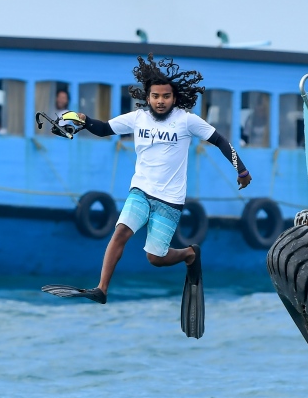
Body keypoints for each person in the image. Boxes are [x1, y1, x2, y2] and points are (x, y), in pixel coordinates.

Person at [42, 56, 250, 329]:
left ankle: (190, 254)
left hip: (170, 201)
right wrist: (82, 119)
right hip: (140, 190)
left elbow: (220, 141)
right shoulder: (137, 118)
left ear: (174, 97)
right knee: (120, 232)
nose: (160, 101)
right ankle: (101, 289)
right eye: (155, 96)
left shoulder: (186, 121)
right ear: (148, 97)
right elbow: (104, 129)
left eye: (166, 96)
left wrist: (242, 170)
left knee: (155, 258)